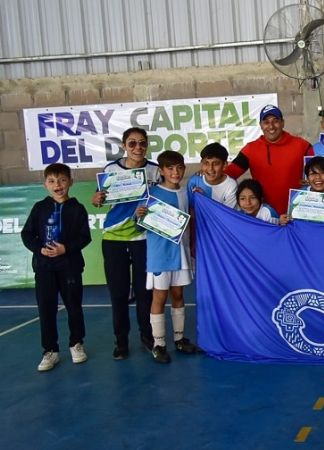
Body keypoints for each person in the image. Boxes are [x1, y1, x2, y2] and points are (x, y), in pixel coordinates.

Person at [91, 126, 158, 360]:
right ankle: (121, 342)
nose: (138, 147)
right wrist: (96, 199)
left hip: (143, 238)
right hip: (114, 238)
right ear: (124, 146)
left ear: (146, 145)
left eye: (142, 143)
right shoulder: (111, 169)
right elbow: (99, 200)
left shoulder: (155, 171)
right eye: (132, 143)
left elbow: (162, 200)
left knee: (144, 292)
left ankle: (147, 336)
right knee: (118, 293)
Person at [21, 163, 91, 372]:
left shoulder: (77, 208)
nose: (57, 185)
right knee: (46, 309)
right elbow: (27, 234)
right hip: (44, 268)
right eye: (52, 181)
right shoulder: (39, 208)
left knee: (74, 307)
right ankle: (50, 350)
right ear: (45, 185)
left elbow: (84, 237)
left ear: (71, 182)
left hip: (70, 267)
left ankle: (76, 343)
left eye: (62, 180)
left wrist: (65, 249)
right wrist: (39, 249)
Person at [135, 150, 199, 364]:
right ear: (161, 171)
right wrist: (139, 216)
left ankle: (179, 339)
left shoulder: (186, 192)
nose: (175, 172)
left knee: (178, 295)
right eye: (170, 168)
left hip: (180, 253)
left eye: (179, 167)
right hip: (160, 254)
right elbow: (139, 224)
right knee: (159, 297)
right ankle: (159, 344)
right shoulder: (151, 193)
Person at [225, 104, 313, 215]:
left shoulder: (302, 146)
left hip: (297, 213)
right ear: (261, 125)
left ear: (282, 123)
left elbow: (320, 172)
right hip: (264, 215)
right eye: (266, 122)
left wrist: (310, 180)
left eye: (275, 121)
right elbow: (228, 175)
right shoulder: (250, 149)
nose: (271, 126)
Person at [280, 156, 324, 227]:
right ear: (307, 178)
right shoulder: (298, 195)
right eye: (313, 174)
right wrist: (283, 221)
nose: (318, 177)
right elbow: (290, 221)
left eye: (323, 173)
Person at [187, 142, 237, 208]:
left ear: (224, 165)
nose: (210, 168)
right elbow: (191, 209)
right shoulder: (194, 181)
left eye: (215, 164)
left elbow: (226, 213)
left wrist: (204, 199)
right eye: (206, 163)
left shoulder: (231, 185)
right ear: (201, 163)